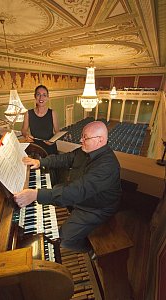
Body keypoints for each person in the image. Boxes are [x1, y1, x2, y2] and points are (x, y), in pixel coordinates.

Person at [14, 121, 121, 253]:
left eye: (85, 137)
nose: (81, 140)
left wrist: (36, 195)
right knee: (56, 189)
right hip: (80, 195)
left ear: (100, 140)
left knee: (64, 240)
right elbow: (66, 158)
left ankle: (90, 252)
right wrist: (40, 161)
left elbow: (76, 191)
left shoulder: (107, 166)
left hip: (95, 208)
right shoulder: (85, 150)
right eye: (82, 135)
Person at [21, 84, 59, 155]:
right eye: (38, 94)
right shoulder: (28, 113)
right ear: (35, 96)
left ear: (47, 97)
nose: (41, 98)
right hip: (36, 148)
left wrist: (53, 141)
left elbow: (57, 132)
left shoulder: (52, 113)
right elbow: (23, 130)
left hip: (50, 148)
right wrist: (26, 135)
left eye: (44, 95)